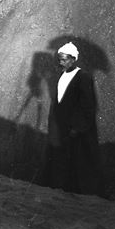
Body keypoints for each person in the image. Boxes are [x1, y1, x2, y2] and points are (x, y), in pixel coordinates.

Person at [45, 41, 100, 194]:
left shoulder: (83, 77)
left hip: (77, 129)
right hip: (62, 128)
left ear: (73, 59)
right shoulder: (61, 76)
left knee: (80, 162)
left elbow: (89, 105)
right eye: (60, 59)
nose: (61, 62)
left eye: (64, 59)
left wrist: (78, 127)